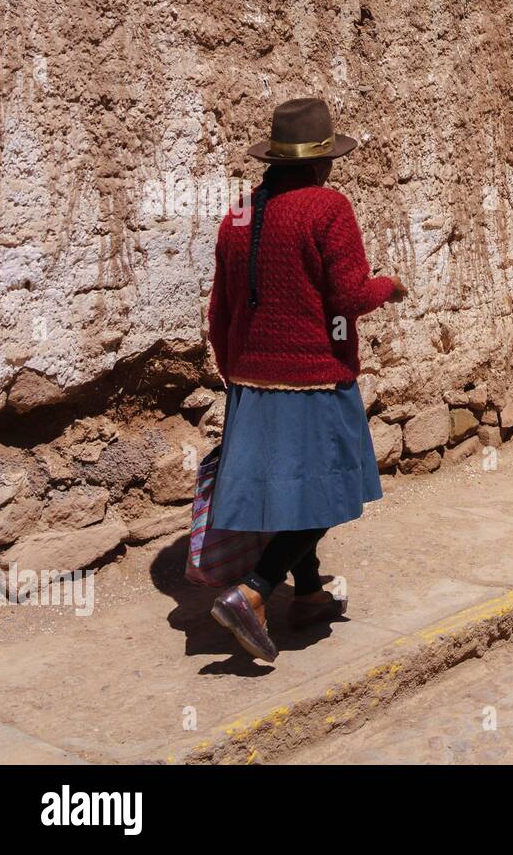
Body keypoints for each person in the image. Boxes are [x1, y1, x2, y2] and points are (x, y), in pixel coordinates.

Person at [205, 97, 406, 662]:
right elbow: (346, 295)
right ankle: (254, 590)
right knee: (328, 492)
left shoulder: (240, 214)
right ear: (321, 163)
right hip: (315, 378)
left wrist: (235, 374)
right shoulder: (327, 208)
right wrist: (388, 287)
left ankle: (312, 594)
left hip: (252, 382)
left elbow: (220, 309)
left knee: (286, 496)